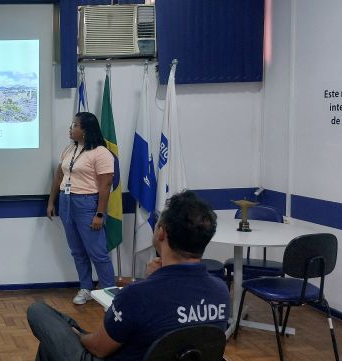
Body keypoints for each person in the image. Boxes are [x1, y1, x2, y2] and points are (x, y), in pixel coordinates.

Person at [27, 190, 230, 361]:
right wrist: (155, 279)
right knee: (52, 344)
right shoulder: (221, 291)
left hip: (104, 354)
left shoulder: (137, 295)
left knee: (38, 312)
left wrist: (78, 336)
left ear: (161, 232)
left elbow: (98, 348)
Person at [47, 112, 116, 304]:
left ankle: (110, 294)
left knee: (97, 252)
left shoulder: (101, 153)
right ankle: (86, 288)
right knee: (77, 251)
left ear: (85, 130)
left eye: (75, 125)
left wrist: (99, 214)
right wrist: (51, 201)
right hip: (66, 202)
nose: (71, 128)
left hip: (87, 203)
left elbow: (105, 185)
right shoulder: (70, 149)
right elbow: (59, 177)